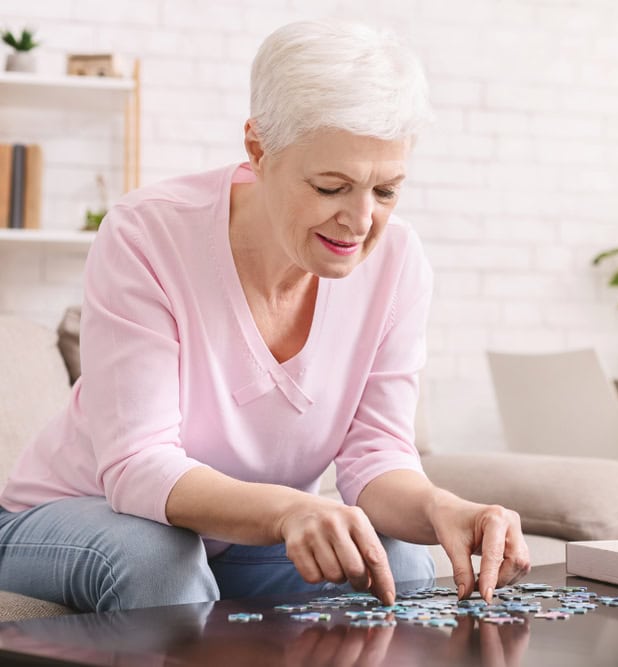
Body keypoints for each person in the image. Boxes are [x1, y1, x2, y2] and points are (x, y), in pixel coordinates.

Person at [0, 20, 530, 612]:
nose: (359, 222)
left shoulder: (399, 262)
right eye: (332, 186)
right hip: (76, 516)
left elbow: (377, 455)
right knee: (157, 556)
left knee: (400, 559)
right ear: (258, 149)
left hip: (242, 543)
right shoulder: (146, 234)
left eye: (385, 191)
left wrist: (443, 509)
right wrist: (289, 510)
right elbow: (138, 466)